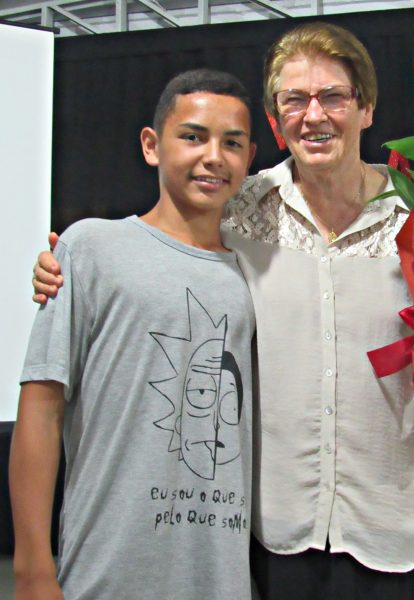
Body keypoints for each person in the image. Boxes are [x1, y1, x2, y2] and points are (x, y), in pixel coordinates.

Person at [31, 23, 414, 600]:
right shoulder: (239, 208)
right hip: (272, 537)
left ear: (367, 108)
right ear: (276, 119)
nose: (314, 115)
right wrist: (65, 265)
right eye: (294, 100)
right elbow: (161, 245)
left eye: (333, 96)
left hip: (395, 531)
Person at [11, 68, 257, 600]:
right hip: (105, 573)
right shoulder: (91, 248)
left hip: (220, 579)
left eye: (232, 143)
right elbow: (42, 406)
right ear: (152, 145)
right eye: (193, 136)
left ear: (249, 158)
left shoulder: (255, 273)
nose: (213, 156)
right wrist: (31, 568)